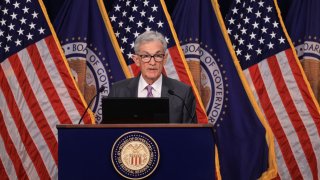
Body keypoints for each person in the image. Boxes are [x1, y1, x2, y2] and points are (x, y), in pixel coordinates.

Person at [108, 31, 197, 123]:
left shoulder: (182, 93)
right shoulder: (118, 91)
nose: (152, 63)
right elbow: (108, 132)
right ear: (137, 60)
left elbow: (191, 134)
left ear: (165, 59)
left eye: (158, 56)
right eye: (146, 56)